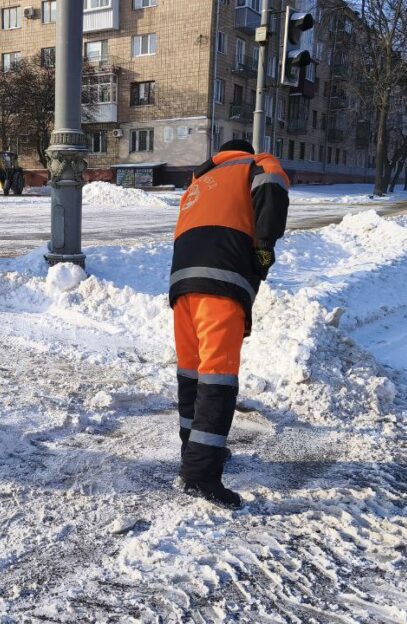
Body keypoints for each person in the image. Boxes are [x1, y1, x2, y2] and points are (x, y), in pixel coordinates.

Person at [170, 139, 289, 509]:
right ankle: (200, 476)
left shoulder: (199, 180)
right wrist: (264, 247)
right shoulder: (257, 163)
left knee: (192, 373)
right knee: (217, 378)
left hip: (182, 283)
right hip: (221, 282)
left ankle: (194, 453)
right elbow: (273, 190)